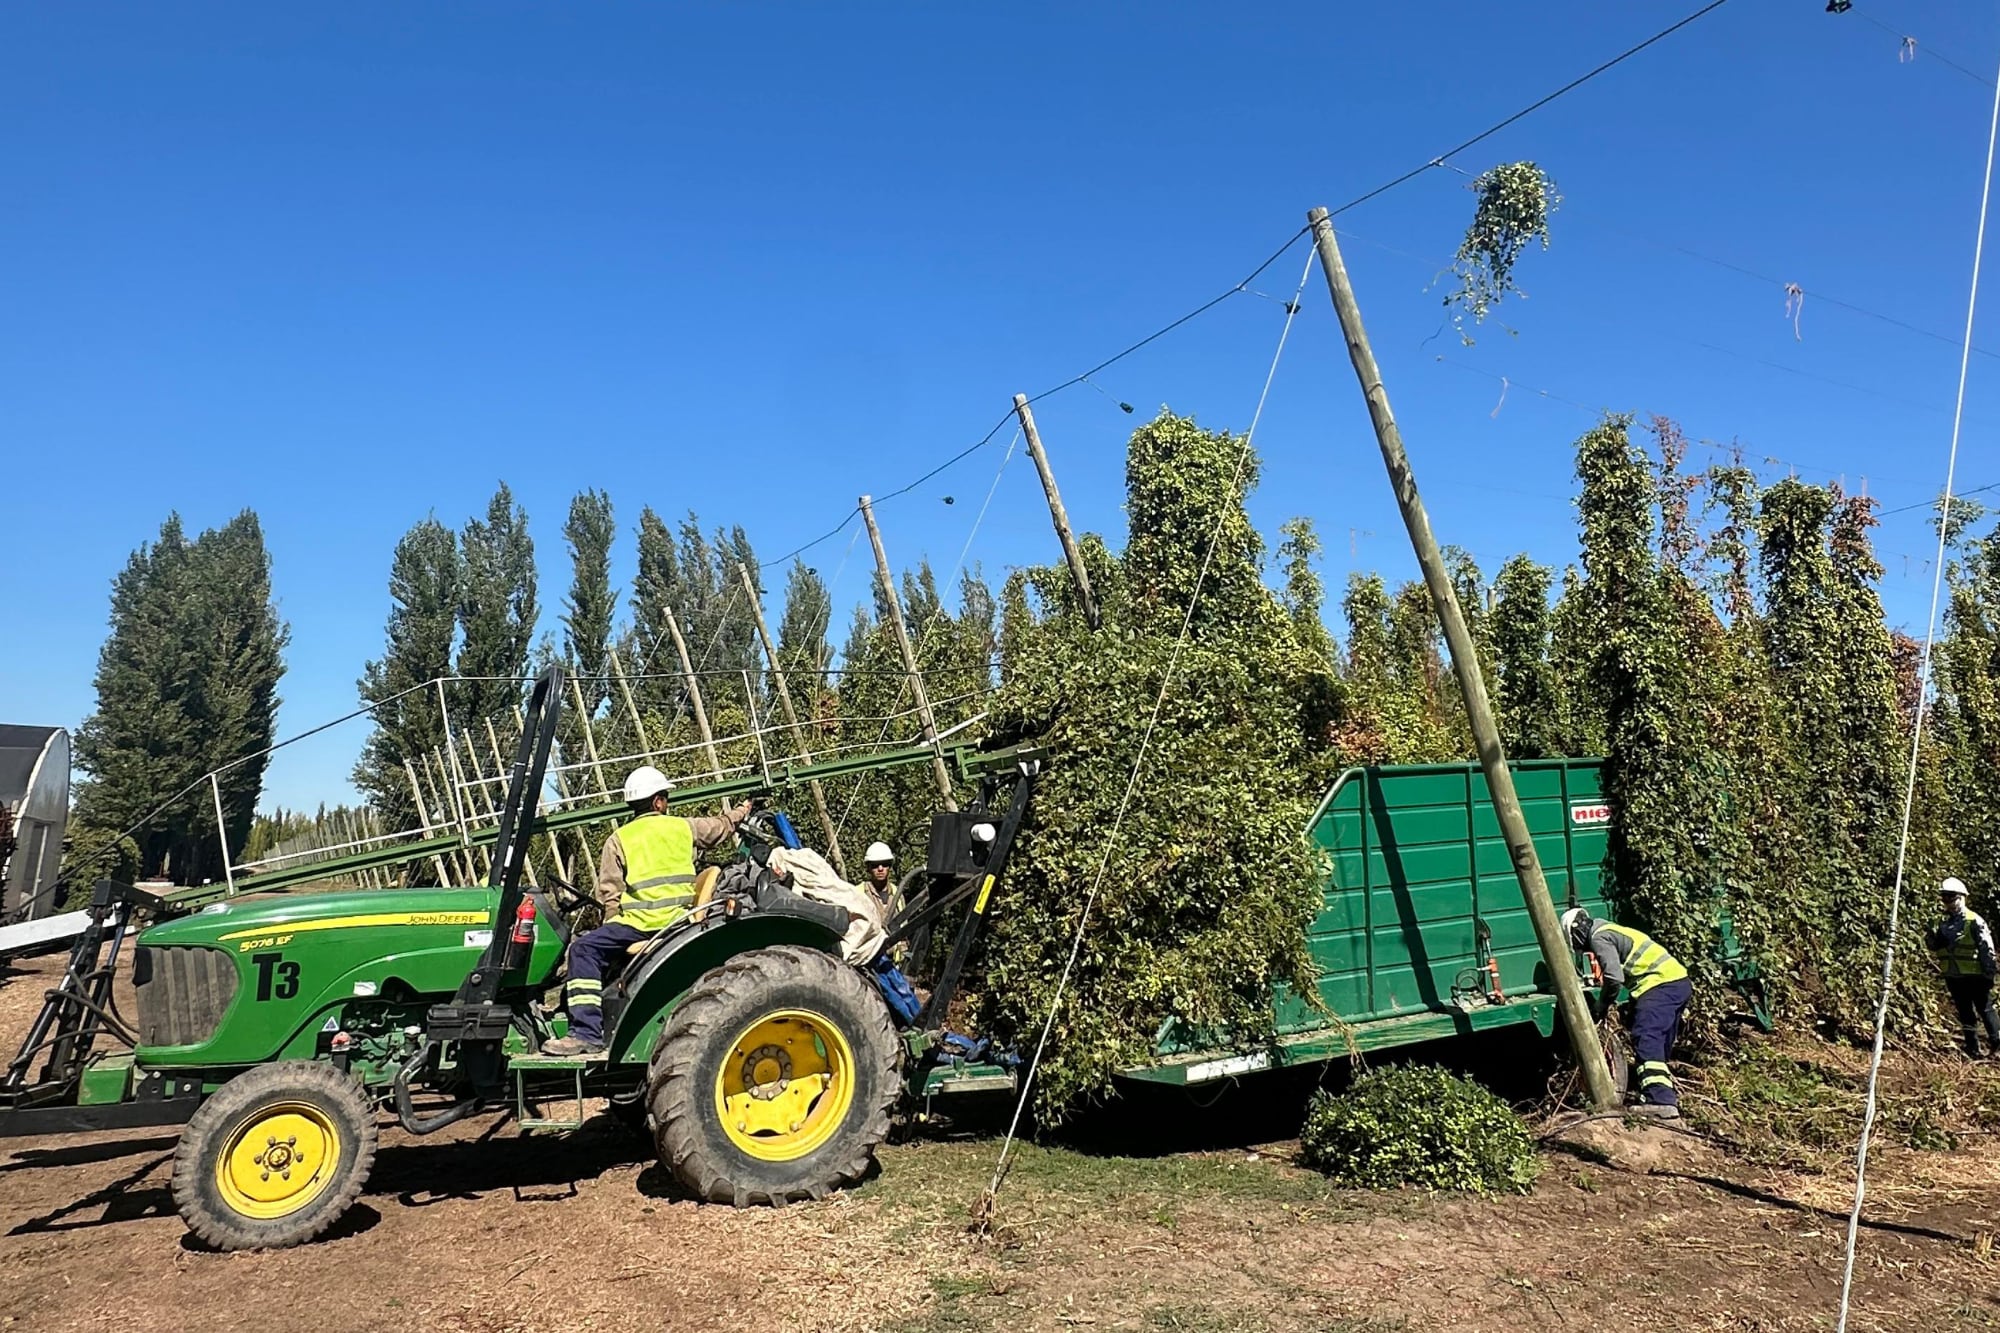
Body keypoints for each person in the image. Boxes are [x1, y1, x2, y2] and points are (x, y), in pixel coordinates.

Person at [544, 766, 751, 1056]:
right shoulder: (683, 827)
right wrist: (742, 811)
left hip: (639, 924)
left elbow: (610, 895)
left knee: (583, 950)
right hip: (678, 921)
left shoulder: (619, 839)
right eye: (665, 797)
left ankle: (586, 1033)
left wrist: (612, 931)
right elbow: (719, 828)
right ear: (657, 802)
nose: (666, 803)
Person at [1562, 907, 1692, 1118]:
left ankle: (1660, 1101)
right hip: (1678, 982)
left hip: (1660, 985)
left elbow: (1614, 979)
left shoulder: (1599, 937)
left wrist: (1601, 1006)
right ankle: (1658, 1096)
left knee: (1646, 1038)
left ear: (1576, 932)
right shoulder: (1609, 929)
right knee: (1659, 1046)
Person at [1926, 876, 1999, 1059]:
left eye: (1951, 897)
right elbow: (1933, 946)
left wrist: (1989, 972)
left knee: (1985, 1009)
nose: (1948, 902)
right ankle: (1972, 1048)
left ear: (1962, 897)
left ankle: (1997, 1045)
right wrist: (1933, 938)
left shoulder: (1974, 921)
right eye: (1945, 898)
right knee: (1965, 1011)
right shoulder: (1943, 923)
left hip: (1975, 975)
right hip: (1954, 975)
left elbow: (1987, 948)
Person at [862, 841, 896, 908]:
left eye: (884, 864)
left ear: (890, 866)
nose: (880, 869)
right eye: (875, 865)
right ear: (868, 867)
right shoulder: (859, 892)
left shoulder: (896, 893)